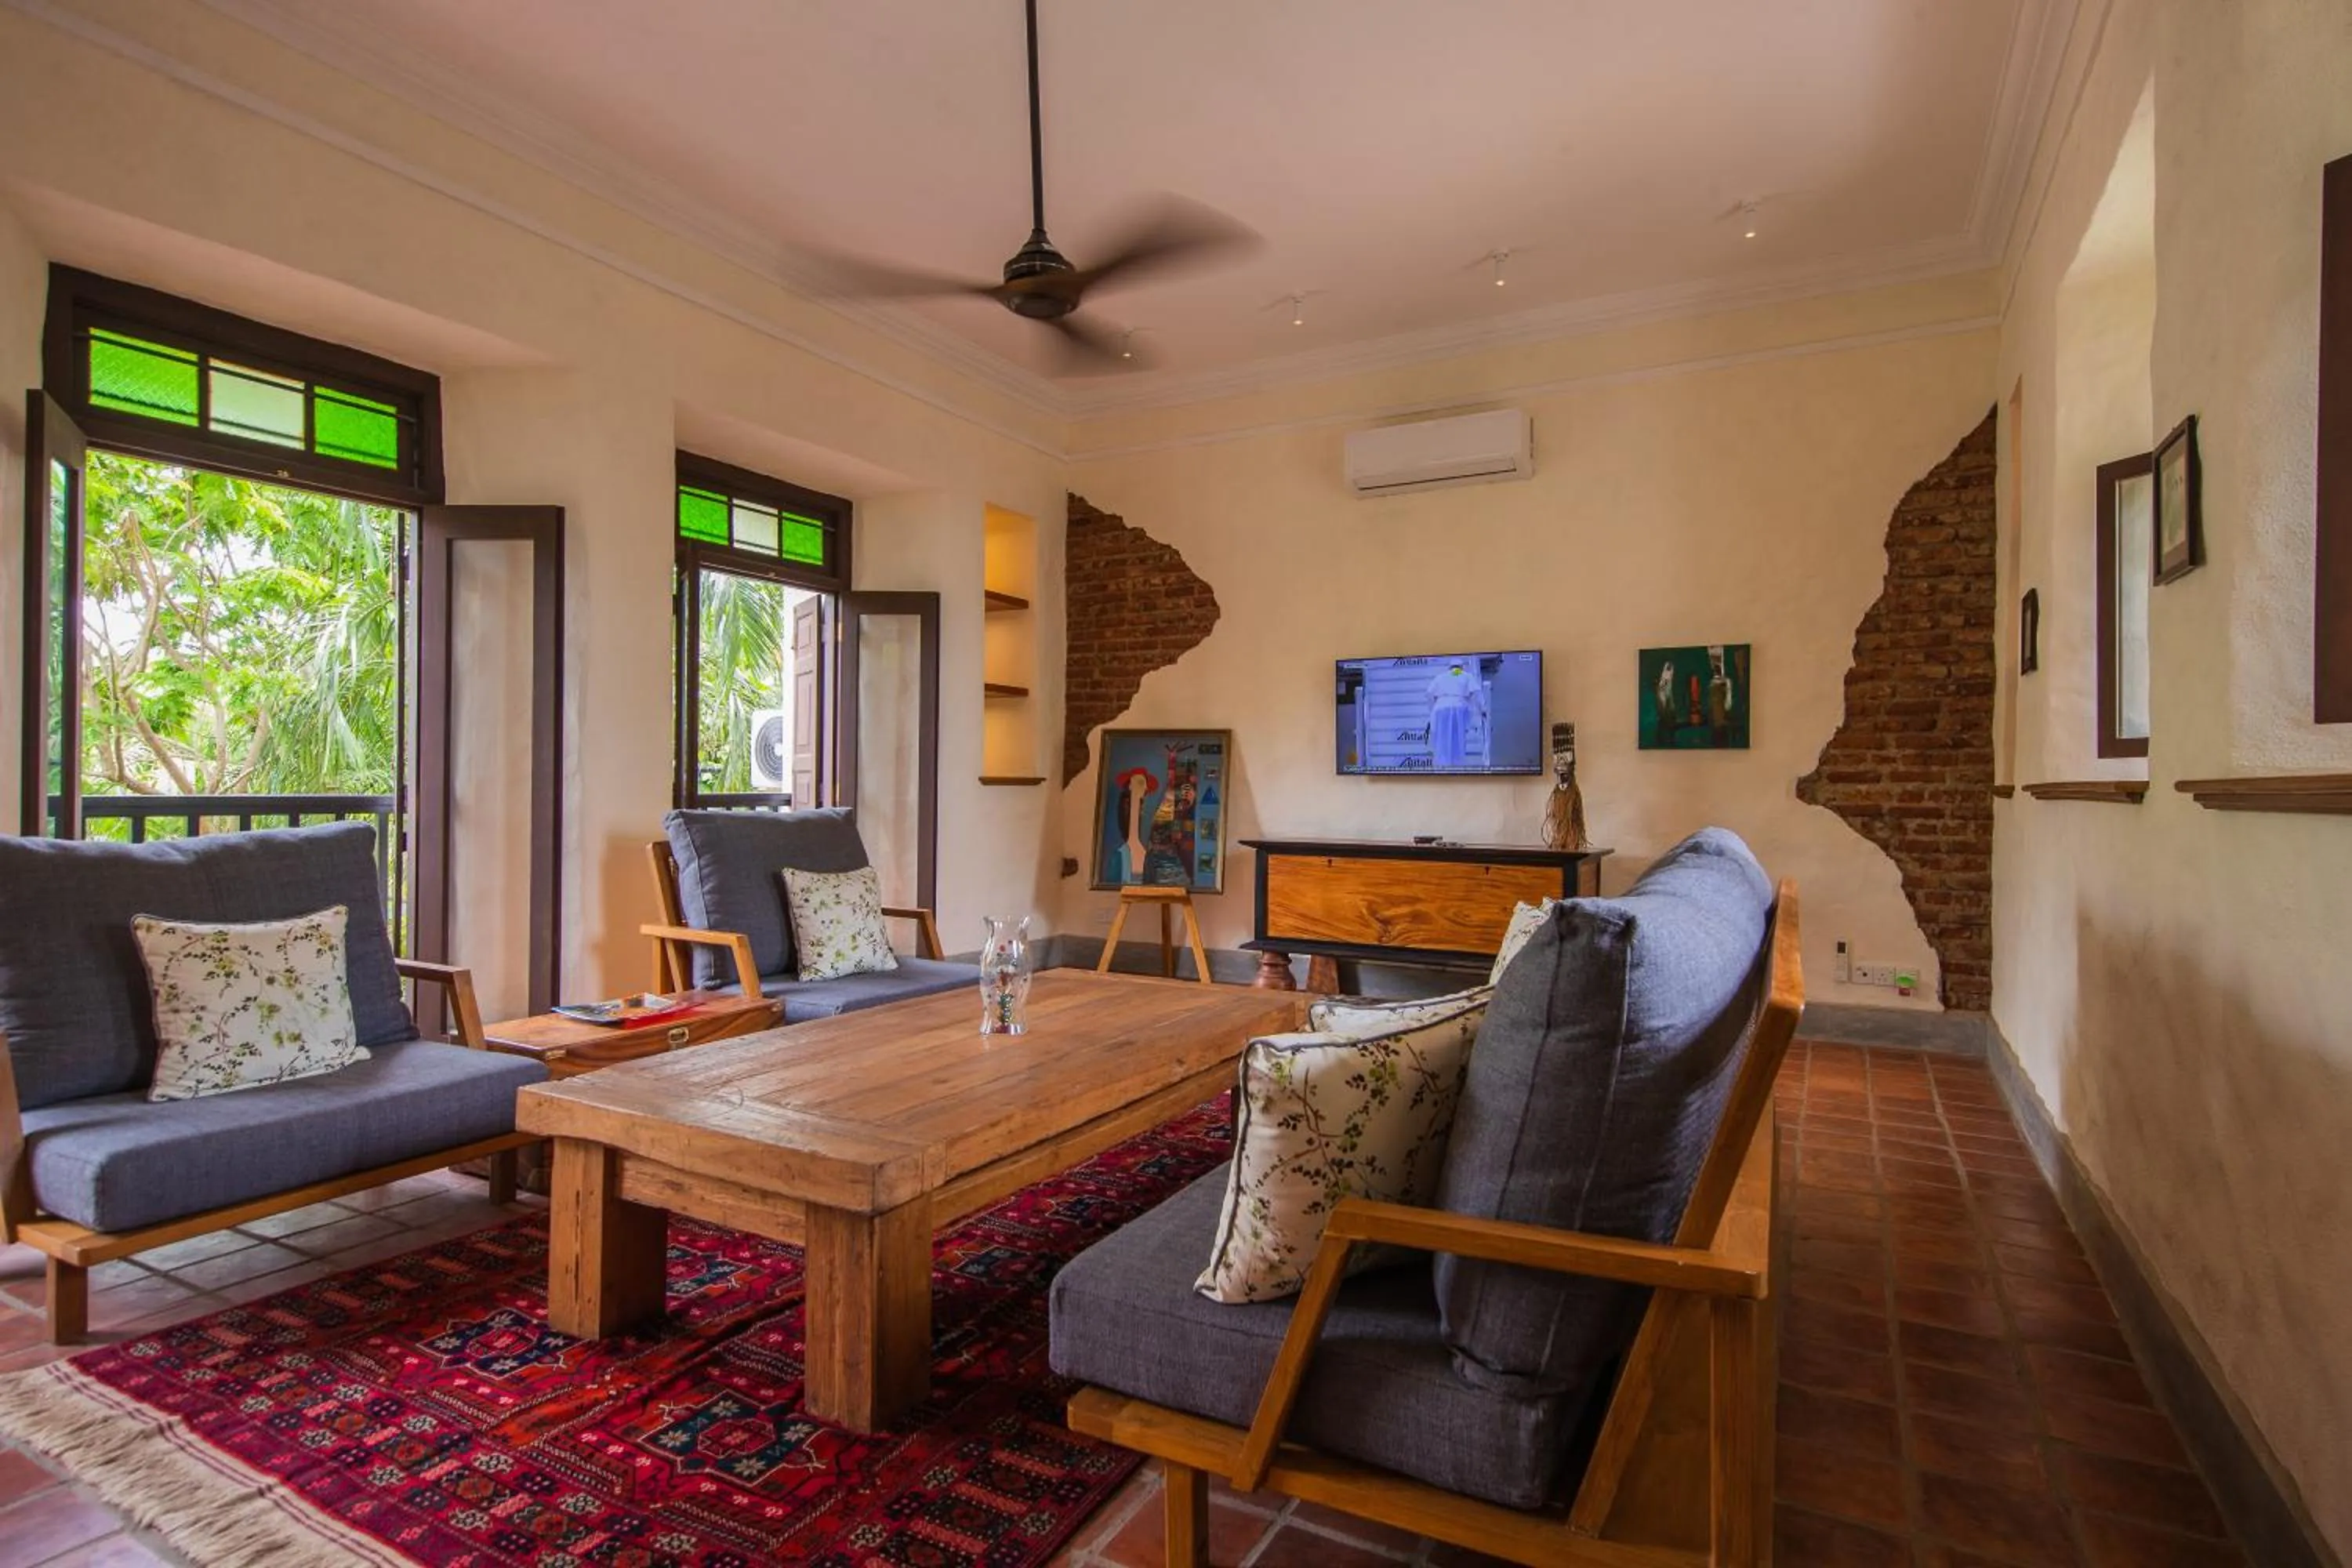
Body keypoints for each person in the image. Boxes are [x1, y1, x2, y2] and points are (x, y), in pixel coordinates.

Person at [1425, 660, 1487, 769]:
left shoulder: (1441, 677)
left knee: (1442, 741)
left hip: (1441, 709)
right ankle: (1457, 766)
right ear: (1462, 667)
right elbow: (1477, 692)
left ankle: (1442, 767)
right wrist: (1482, 709)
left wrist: (1433, 709)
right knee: (1458, 740)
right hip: (1459, 708)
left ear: (1450, 668)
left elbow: (1429, 693)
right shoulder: (1466, 675)